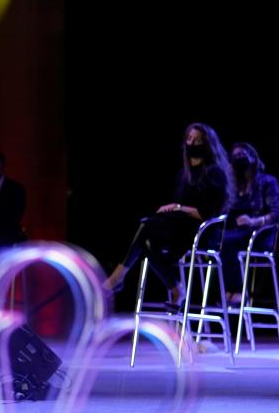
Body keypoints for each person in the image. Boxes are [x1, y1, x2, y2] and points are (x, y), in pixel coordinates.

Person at [103, 122, 229, 305]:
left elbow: (208, 213)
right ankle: (176, 289)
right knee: (147, 241)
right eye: (189, 139)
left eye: (198, 140)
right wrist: (176, 208)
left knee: (146, 226)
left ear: (207, 145)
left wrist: (178, 208)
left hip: (202, 232)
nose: (192, 143)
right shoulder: (183, 174)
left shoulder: (214, 173)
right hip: (181, 228)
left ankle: (119, 277)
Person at [220, 142, 279, 303]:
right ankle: (228, 289)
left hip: (260, 233)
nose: (238, 159)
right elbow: (225, 210)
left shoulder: (267, 182)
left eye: (242, 155)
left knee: (228, 241)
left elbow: (275, 214)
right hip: (237, 232)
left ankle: (237, 289)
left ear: (252, 157)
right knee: (220, 240)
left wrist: (253, 221)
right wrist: (229, 178)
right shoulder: (235, 185)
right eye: (234, 157)